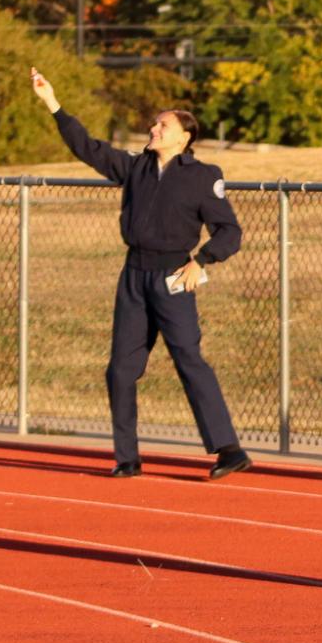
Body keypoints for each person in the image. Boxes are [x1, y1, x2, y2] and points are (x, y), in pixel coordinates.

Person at [30, 68, 252, 481]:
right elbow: (87, 148)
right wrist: (52, 103)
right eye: (154, 123)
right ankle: (126, 457)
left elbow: (230, 231)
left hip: (172, 276)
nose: (153, 128)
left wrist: (201, 262)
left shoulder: (205, 176)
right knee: (120, 369)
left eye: (162, 125)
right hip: (134, 275)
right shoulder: (135, 167)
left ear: (184, 137)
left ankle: (229, 449)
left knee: (189, 359)